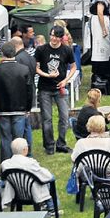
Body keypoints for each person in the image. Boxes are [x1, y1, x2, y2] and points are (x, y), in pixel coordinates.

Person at [34, 24, 76, 154]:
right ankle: (49, 146)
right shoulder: (41, 50)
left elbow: (73, 67)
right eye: (52, 35)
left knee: (64, 117)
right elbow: (36, 68)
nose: (53, 38)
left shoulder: (67, 50)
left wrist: (65, 80)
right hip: (45, 88)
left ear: (61, 37)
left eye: (56, 36)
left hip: (60, 88)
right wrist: (47, 75)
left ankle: (61, 144)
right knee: (47, 118)